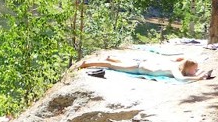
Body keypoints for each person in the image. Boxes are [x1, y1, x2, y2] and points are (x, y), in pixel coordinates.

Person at [79, 55, 212, 81]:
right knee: (111, 66)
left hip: (142, 64)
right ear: (187, 68)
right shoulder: (175, 70)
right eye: (194, 69)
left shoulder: (179, 66)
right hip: (138, 68)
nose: (195, 72)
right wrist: (199, 77)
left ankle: (113, 58)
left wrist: (201, 73)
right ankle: (87, 63)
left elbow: (188, 73)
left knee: (121, 63)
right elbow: (181, 80)